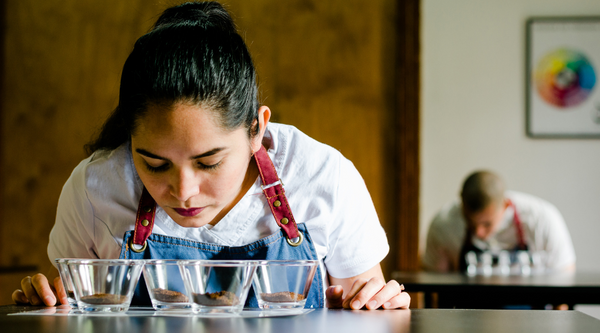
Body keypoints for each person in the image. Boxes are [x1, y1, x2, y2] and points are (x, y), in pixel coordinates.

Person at [11, 1, 410, 310]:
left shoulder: (323, 177)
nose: (184, 191)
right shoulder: (95, 187)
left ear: (257, 129)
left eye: (208, 162)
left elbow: (366, 303)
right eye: (154, 164)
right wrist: (45, 302)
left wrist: (378, 306)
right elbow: (66, 307)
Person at [422, 170, 576, 273]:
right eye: (470, 221)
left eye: (487, 224)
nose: (478, 232)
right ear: (461, 202)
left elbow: (564, 278)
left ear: (506, 205)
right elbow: (434, 285)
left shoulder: (542, 220)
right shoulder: (443, 225)